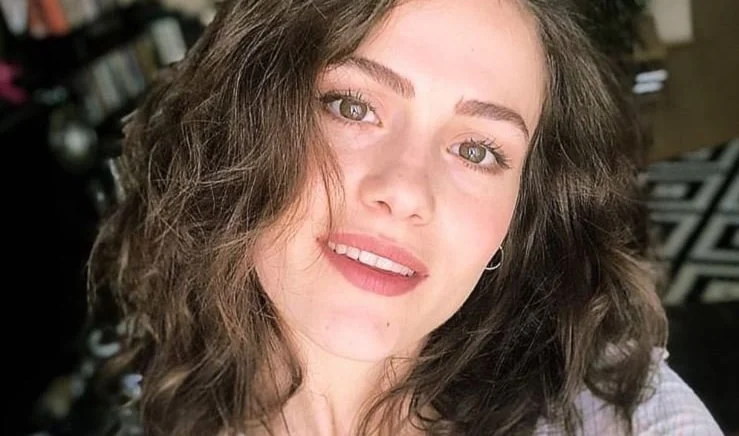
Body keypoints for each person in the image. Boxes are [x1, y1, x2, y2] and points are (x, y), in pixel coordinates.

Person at [70, 0, 723, 435]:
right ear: (242, 127)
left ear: (517, 214)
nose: (406, 190)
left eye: (477, 150)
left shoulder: (624, 416)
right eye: (353, 107)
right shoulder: (169, 391)